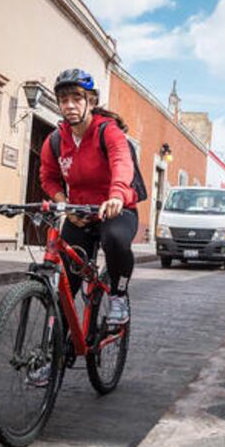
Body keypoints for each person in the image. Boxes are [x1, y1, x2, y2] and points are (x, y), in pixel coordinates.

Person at [39, 68, 137, 329]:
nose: (69, 105)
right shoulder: (56, 141)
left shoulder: (108, 131)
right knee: (65, 289)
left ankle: (118, 295)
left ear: (91, 101)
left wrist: (116, 195)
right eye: (63, 99)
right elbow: (47, 177)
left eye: (76, 98)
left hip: (116, 209)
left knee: (115, 239)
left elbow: (121, 162)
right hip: (79, 214)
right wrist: (64, 204)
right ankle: (56, 352)